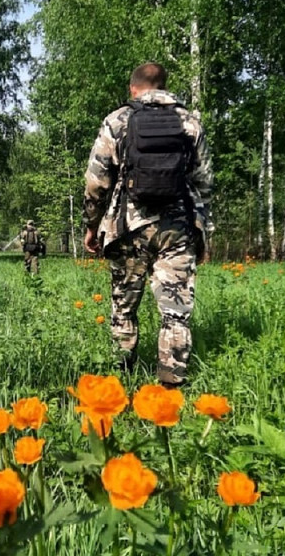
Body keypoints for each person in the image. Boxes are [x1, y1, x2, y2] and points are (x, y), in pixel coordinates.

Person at [83, 62, 213, 388]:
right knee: (175, 313)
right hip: (177, 228)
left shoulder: (118, 121)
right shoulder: (190, 124)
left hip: (128, 228)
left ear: (133, 88)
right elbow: (204, 182)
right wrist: (200, 230)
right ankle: (171, 389)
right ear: (164, 85)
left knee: (123, 307)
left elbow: (96, 182)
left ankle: (120, 378)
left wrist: (91, 225)